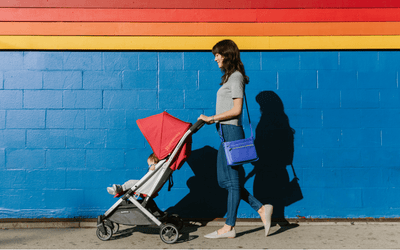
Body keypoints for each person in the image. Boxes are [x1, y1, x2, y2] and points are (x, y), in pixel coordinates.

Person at [198, 39, 273, 239]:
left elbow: (237, 110)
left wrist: (211, 118)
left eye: (217, 55)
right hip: (225, 133)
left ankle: (229, 226)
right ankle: (261, 209)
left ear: (227, 54)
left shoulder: (237, 77)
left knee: (231, 182)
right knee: (224, 181)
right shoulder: (229, 78)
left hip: (231, 132)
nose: (215, 59)